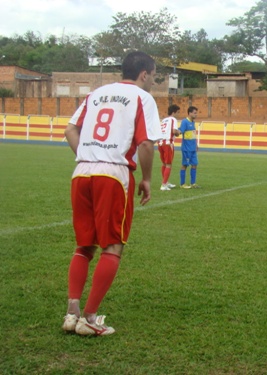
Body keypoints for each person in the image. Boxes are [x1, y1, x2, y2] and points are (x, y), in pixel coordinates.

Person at [62, 51, 162, 336]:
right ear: (144, 73)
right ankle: (90, 319)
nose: (154, 81)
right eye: (154, 76)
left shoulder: (96, 94)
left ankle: (72, 314)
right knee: (113, 246)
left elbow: (70, 129)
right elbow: (145, 144)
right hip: (113, 174)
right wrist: (146, 179)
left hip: (81, 172)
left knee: (84, 245)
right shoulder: (142, 98)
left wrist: (86, 154)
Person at [158, 104, 181, 191]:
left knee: (164, 164)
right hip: (168, 143)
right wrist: (178, 132)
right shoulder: (173, 119)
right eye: (178, 112)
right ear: (174, 112)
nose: (178, 114)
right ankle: (163, 185)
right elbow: (174, 131)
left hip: (160, 142)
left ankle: (166, 182)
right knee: (168, 164)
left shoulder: (164, 120)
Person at [178, 106, 200, 188]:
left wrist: (196, 144)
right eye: (194, 113)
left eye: (196, 113)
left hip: (193, 148)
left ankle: (193, 183)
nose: (196, 114)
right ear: (190, 113)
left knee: (194, 164)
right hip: (186, 148)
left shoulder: (193, 122)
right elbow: (181, 131)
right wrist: (177, 132)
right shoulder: (185, 122)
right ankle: (182, 184)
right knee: (185, 165)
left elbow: (193, 135)